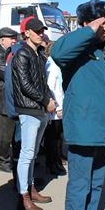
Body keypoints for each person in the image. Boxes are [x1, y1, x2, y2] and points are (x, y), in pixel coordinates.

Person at [51, 0, 105, 210]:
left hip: (101, 126)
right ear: (86, 24)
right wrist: (89, 30)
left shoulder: (103, 51)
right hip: (83, 126)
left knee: (96, 181)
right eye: (102, 22)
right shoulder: (77, 48)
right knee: (80, 182)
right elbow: (57, 53)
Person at [11, 18, 55, 210]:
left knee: (33, 154)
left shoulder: (38, 55)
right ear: (26, 33)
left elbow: (42, 83)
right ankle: (23, 197)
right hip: (29, 110)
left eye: (41, 31)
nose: (41, 34)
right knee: (26, 155)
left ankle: (30, 188)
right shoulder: (22, 54)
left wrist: (50, 100)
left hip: (39, 110)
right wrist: (46, 100)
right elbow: (25, 85)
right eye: (36, 31)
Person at [0, 26, 19, 173]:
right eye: (11, 39)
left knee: (12, 133)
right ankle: (2, 161)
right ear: (2, 40)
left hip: (10, 100)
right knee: (4, 134)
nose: (14, 41)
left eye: (15, 38)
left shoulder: (9, 53)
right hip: (2, 101)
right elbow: (8, 76)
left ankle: (12, 160)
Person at [43, 40, 66, 176]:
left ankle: (56, 160)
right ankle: (50, 162)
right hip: (55, 106)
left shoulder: (56, 65)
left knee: (57, 136)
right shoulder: (50, 65)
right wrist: (57, 105)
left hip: (59, 104)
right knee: (52, 136)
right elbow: (51, 88)